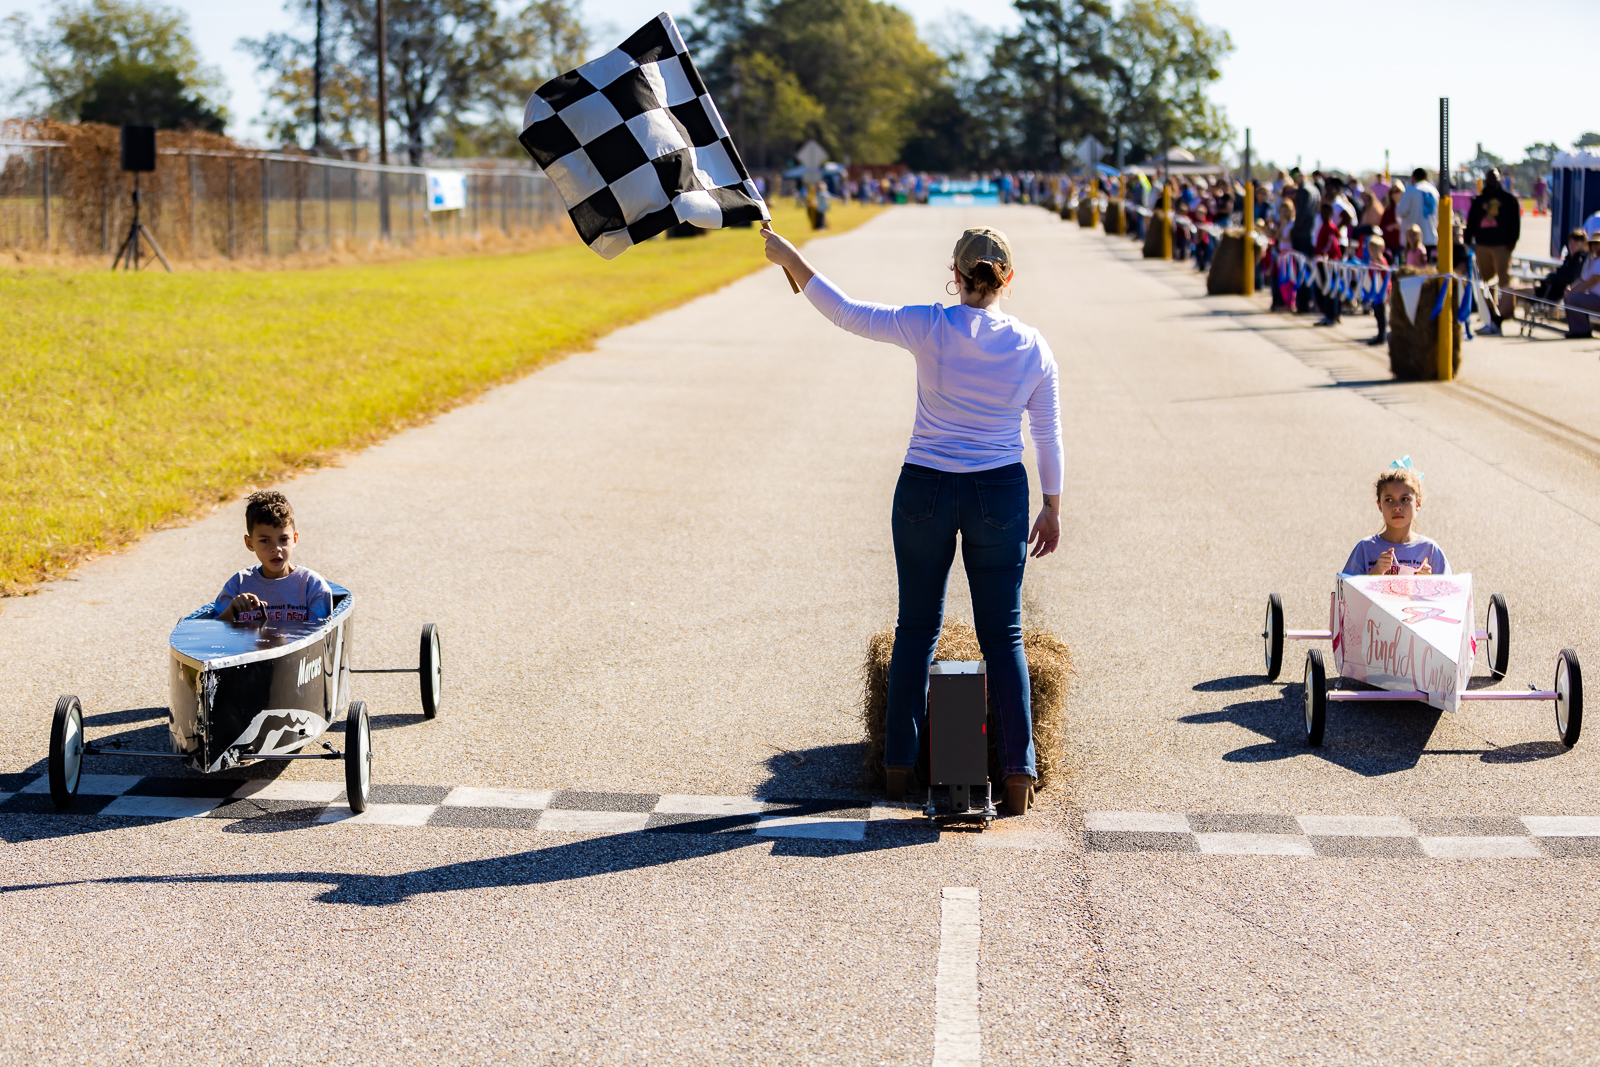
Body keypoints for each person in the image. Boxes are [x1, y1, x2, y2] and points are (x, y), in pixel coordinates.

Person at [760, 225, 1062, 816]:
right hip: (999, 491)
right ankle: (1019, 775)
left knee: (916, 629)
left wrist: (791, 258)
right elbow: (1047, 433)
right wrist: (1052, 504)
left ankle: (899, 767)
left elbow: (845, 312)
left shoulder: (930, 323)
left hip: (924, 485)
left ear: (955, 275)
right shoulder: (1033, 346)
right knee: (1005, 636)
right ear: (1008, 278)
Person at [215, 491, 334, 625]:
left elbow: (320, 635)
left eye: (283, 539)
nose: (276, 548)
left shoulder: (312, 586)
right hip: (251, 646)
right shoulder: (238, 585)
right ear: (249, 543)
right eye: (265, 541)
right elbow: (213, 631)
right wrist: (232, 611)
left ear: (294, 539)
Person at [1342, 462, 1450, 576]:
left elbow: (1450, 590)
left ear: (1418, 503)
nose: (1397, 507)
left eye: (1405, 499)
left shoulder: (1430, 550)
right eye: (1389, 500)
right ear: (1379, 505)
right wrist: (1376, 572)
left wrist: (1429, 582)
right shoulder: (1365, 548)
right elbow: (1346, 591)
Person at [1465, 168, 1522, 334]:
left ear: (1500, 180)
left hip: (1502, 246)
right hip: (1482, 245)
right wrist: (1468, 241)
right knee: (1486, 283)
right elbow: (1472, 221)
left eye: (1495, 178)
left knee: (1504, 281)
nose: (1492, 181)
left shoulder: (1509, 200)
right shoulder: (1479, 201)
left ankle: (1503, 315)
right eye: (1490, 178)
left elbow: (1515, 222)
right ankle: (1490, 316)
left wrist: (1513, 241)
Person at [1561, 232, 1600, 339]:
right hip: (1593, 296)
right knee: (1568, 296)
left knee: (1574, 299)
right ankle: (1575, 329)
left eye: (1598, 243)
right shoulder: (1591, 260)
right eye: (1593, 243)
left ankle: (1583, 330)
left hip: (1598, 298)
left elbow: (1593, 280)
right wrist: (1571, 289)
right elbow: (1583, 279)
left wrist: (1574, 292)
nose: (1595, 246)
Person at [1312, 202, 1345, 326]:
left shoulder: (1331, 227)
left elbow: (1331, 245)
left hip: (1330, 263)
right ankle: (1328, 315)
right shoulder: (1324, 226)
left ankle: (1332, 315)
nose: (1323, 215)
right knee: (1326, 290)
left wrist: (1321, 254)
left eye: (1326, 212)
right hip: (1323, 262)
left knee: (1331, 290)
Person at [1397, 168, 1439, 262]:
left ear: (1413, 177)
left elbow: (1400, 212)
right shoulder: (1434, 191)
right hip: (1430, 238)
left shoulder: (1410, 190)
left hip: (1412, 241)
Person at [1364, 235, 1391, 347]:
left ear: (1382, 250)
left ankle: (1382, 335)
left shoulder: (1382, 262)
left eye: (1375, 249)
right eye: (1371, 249)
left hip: (1382, 292)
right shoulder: (1372, 262)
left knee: (1381, 314)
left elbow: (1385, 278)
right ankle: (1380, 334)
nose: (1373, 252)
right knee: (1377, 313)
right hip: (1375, 292)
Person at [1379, 181, 1404, 258]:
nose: (1394, 194)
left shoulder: (1406, 208)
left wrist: (1401, 226)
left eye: (1397, 191)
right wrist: (1389, 227)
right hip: (1389, 243)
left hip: (1402, 244)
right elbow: (1381, 225)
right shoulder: (1389, 209)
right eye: (1392, 192)